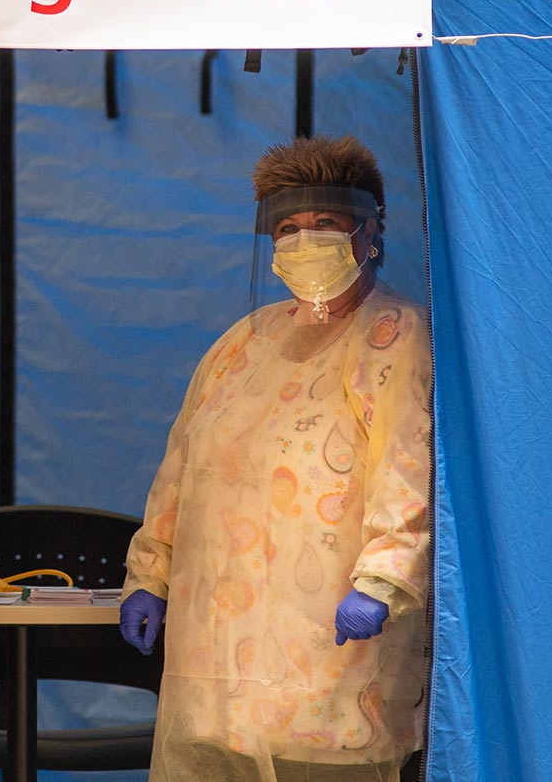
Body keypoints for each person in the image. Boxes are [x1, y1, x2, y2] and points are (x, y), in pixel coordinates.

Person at [119, 136, 431, 782]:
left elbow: (411, 465)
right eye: (288, 227)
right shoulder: (242, 343)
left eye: (325, 223)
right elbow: (183, 467)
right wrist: (149, 572)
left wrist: (382, 579)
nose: (304, 239)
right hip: (218, 660)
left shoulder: (396, 334)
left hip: (334, 656)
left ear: (369, 230)